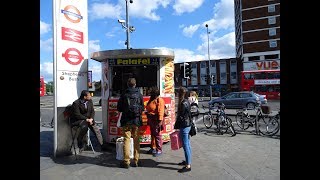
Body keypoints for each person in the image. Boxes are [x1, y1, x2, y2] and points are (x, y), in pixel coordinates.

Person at [117, 78, 144, 168]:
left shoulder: (124, 95)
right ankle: (136, 160)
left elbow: (119, 108)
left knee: (126, 140)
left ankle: (126, 161)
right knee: (136, 140)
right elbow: (142, 108)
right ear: (135, 84)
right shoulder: (139, 95)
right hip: (136, 120)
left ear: (128, 84)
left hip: (126, 121)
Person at [174, 86, 192, 173]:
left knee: (185, 146)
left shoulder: (182, 103)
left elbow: (181, 116)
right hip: (188, 125)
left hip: (184, 126)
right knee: (187, 144)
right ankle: (188, 161)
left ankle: (188, 166)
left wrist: (176, 124)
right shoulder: (187, 101)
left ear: (180, 94)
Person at [145, 86, 165, 157]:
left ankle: (159, 150)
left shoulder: (159, 100)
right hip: (151, 119)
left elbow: (161, 112)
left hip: (156, 120)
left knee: (157, 135)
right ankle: (153, 147)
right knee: (153, 134)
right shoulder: (152, 99)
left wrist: (160, 121)